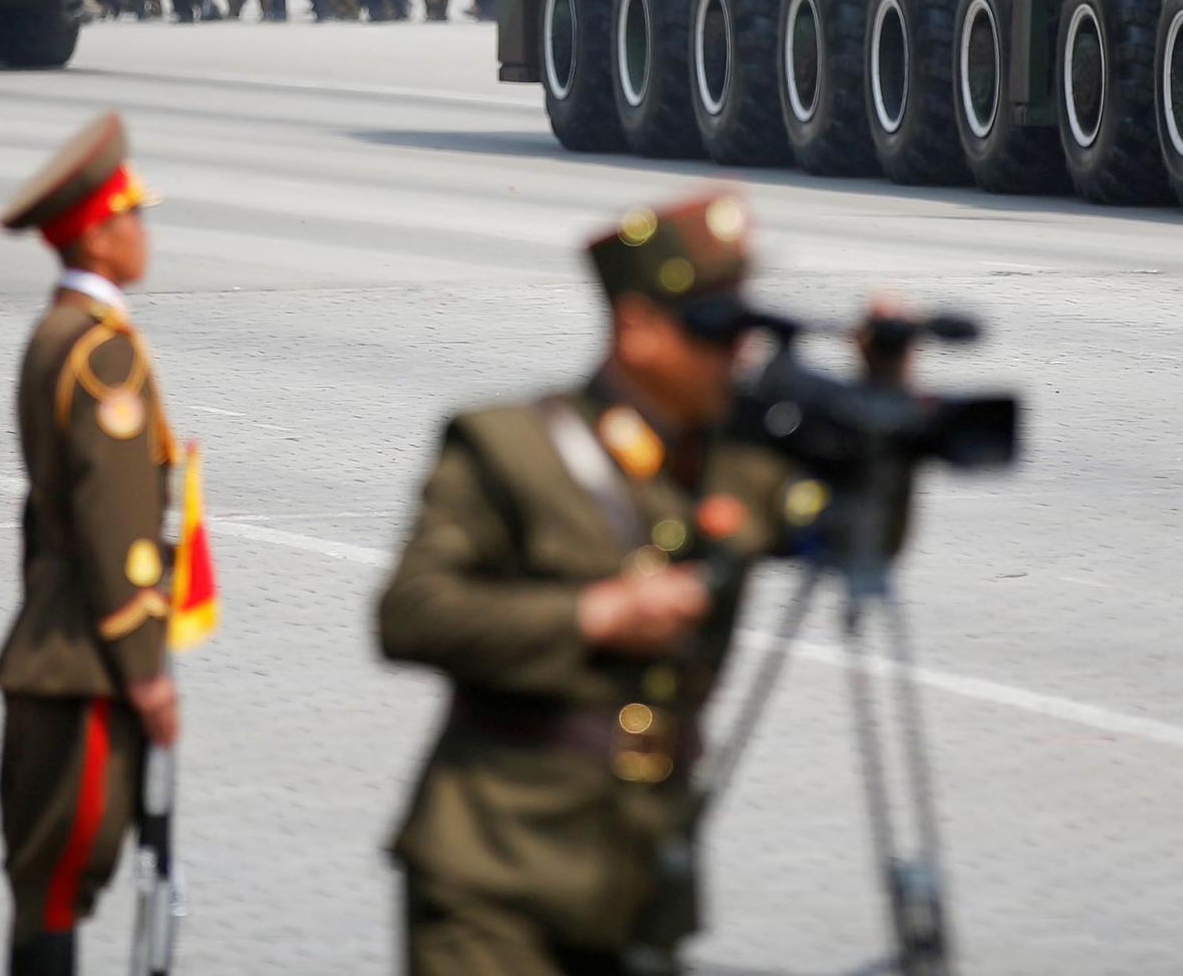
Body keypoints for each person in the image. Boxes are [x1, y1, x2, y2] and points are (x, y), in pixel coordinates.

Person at [377, 191, 909, 976]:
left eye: (745, 333)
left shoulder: (738, 466)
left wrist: (885, 398)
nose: (739, 358)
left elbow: (860, 542)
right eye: (716, 332)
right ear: (639, 329)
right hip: (495, 876)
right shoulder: (509, 447)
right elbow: (410, 614)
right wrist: (593, 615)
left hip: (639, 875)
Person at [0, 112, 181, 976]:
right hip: (85, 660)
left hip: (52, 639)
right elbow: (115, 531)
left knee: (49, 884)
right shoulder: (102, 356)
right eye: (133, 216)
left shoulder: (56, 335)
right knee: (63, 880)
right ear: (99, 236)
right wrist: (145, 668)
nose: (145, 234)